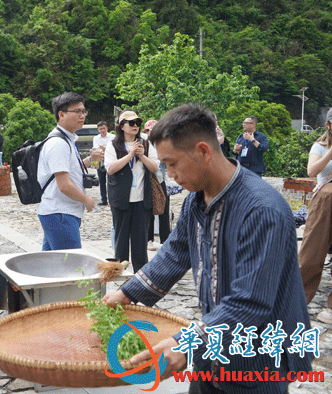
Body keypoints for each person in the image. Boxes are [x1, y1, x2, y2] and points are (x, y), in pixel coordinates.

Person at [103, 104, 313, 394]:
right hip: (213, 346)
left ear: (203, 151)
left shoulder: (262, 209)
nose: (170, 173)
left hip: (259, 356)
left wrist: (185, 342)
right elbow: (176, 252)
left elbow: (251, 301)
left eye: (173, 163)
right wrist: (126, 294)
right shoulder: (195, 198)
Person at [36, 91, 95, 251]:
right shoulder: (58, 143)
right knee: (69, 267)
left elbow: (69, 170)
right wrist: (86, 199)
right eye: (77, 111)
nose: (82, 116)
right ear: (61, 114)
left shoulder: (66, 139)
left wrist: (90, 160)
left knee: (51, 267)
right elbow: (64, 185)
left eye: (83, 111)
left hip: (60, 213)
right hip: (61, 213)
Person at [104, 110, 159, 272]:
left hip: (142, 199)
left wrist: (141, 156)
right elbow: (111, 169)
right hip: (121, 199)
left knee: (140, 241)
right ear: (121, 126)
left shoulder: (146, 143)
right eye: (131, 123)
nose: (135, 126)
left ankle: (140, 274)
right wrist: (130, 155)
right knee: (120, 240)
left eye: (137, 123)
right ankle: (118, 272)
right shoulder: (112, 145)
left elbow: (155, 167)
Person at [298, 107, 332, 324]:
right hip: (324, 204)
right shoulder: (318, 147)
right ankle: (296, 300)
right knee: (310, 254)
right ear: (329, 125)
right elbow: (311, 172)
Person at [143, 119, 171, 251]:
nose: (152, 132)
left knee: (164, 210)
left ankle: (165, 239)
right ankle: (149, 239)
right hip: (148, 180)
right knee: (149, 210)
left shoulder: (163, 142)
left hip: (160, 179)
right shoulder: (143, 143)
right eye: (150, 130)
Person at [91, 121, 114, 206]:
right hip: (99, 160)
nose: (102, 130)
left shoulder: (112, 137)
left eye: (104, 128)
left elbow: (114, 148)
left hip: (110, 160)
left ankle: (112, 199)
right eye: (100, 129)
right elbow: (95, 148)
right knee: (102, 180)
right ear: (98, 129)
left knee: (111, 180)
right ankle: (104, 199)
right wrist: (106, 148)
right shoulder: (96, 138)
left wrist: (105, 148)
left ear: (107, 128)